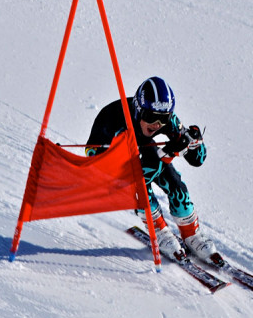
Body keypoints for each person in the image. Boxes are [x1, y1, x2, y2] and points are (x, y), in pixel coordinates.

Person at [85, 76, 217, 262]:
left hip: (145, 152)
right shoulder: (112, 118)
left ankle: (191, 234)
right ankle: (159, 230)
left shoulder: (166, 120)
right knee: (143, 181)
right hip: (113, 166)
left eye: (163, 118)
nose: (157, 124)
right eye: (151, 117)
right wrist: (163, 154)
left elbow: (197, 160)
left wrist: (193, 143)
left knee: (174, 181)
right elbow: (97, 166)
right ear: (139, 110)